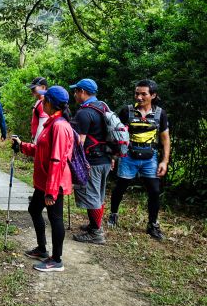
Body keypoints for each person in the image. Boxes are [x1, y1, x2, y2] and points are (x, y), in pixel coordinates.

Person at [12, 86, 74, 272]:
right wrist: (22, 146)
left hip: (54, 183)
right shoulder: (51, 123)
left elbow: (57, 160)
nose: (41, 102)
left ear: (49, 103)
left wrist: (52, 191)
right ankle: (41, 249)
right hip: (44, 182)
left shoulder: (60, 126)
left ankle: (57, 260)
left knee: (56, 219)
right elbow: (41, 149)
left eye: (44, 100)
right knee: (34, 209)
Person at [108, 79, 170, 240]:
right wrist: (113, 156)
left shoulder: (160, 114)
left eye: (144, 94)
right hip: (128, 155)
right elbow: (117, 136)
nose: (139, 97)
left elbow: (165, 138)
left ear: (153, 95)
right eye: (137, 93)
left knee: (155, 191)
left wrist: (164, 161)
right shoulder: (126, 111)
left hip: (150, 157)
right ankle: (113, 214)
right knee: (120, 187)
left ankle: (152, 225)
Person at [69, 78, 112, 245]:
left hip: (92, 161)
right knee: (98, 195)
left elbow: (79, 142)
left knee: (92, 195)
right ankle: (94, 225)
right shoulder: (102, 107)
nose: (74, 95)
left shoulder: (84, 113)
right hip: (106, 160)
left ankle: (96, 232)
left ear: (82, 92)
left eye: (76, 91)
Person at [28, 77, 49, 144]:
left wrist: (35, 143)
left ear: (43, 87)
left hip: (40, 141)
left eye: (34, 88)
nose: (32, 90)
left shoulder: (44, 102)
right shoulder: (39, 101)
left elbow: (42, 125)